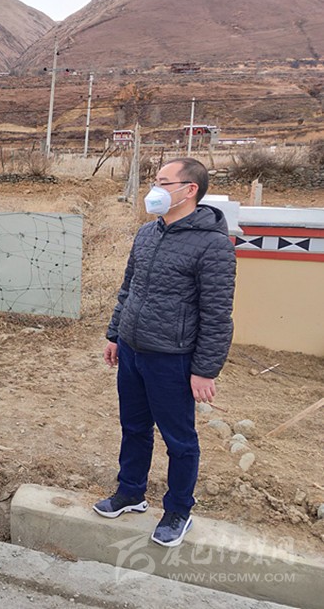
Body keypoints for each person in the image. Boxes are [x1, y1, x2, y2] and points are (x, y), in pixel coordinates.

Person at [95, 157, 236, 547]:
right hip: (133, 349)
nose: (154, 190)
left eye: (163, 182)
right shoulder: (147, 233)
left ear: (190, 190)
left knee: (179, 439)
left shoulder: (213, 245)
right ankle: (131, 492)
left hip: (172, 357)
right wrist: (115, 335)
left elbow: (217, 314)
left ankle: (178, 511)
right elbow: (129, 288)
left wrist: (205, 370)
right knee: (134, 427)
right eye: (154, 181)